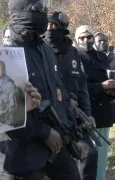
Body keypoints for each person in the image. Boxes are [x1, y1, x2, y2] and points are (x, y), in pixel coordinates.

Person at [1, 0, 82, 179]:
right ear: (21, 10)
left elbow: (59, 91)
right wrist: (43, 133)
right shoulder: (7, 53)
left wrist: (71, 128)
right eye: (38, 8)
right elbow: (7, 114)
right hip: (23, 152)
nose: (44, 13)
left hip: (56, 143)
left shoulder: (45, 49)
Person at [44, 11, 98, 180]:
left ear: (62, 28)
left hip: (74, 119)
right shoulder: (41, 51)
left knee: (90, 154)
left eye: (53, 26)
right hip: (50, 119)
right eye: (47, 25)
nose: (49, 29)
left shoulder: (73, 53)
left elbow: (82, 87)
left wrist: (87, 114)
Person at [75, 25, 115, 180]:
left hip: (104, 108)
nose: (86, 40)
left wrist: (112, 88)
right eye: (82, 38)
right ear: (77, 39)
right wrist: (101, 86)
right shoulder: (74, 56)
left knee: (102, 151)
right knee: (86, 153)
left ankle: (100, 177)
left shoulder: (102, 56)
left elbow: (106, 77)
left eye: (89, 37)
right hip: (85, 110)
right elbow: (78, 86)